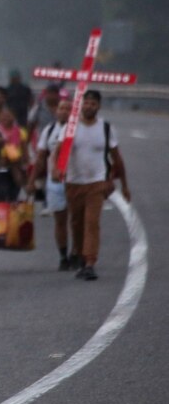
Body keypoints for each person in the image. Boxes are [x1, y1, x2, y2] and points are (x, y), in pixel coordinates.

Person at [55, 90, 130, 280]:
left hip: (97, 182)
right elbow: (59, 151)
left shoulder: (105, 128)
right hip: (74, 182)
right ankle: (80, 255)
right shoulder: (71, 127)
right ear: (81, 105)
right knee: (76, 223)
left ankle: (90, 262)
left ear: (98, 106)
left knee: (92, 222)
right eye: (86, 103)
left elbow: (116, 157)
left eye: (93, 104)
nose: (89, 106)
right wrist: (57, 170)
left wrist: (124, 185)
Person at [26, 100, 72, 270]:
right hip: (55, 183)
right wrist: (31, 181)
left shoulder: (79, 130)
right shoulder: (49, 131)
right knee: (60, 221)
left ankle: (77, 253)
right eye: (61, 108)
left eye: (68, 109)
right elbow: (40, 159)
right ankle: (63, 255)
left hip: (76, 181)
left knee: (76, 220)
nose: (64, 111)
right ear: (56, 111)